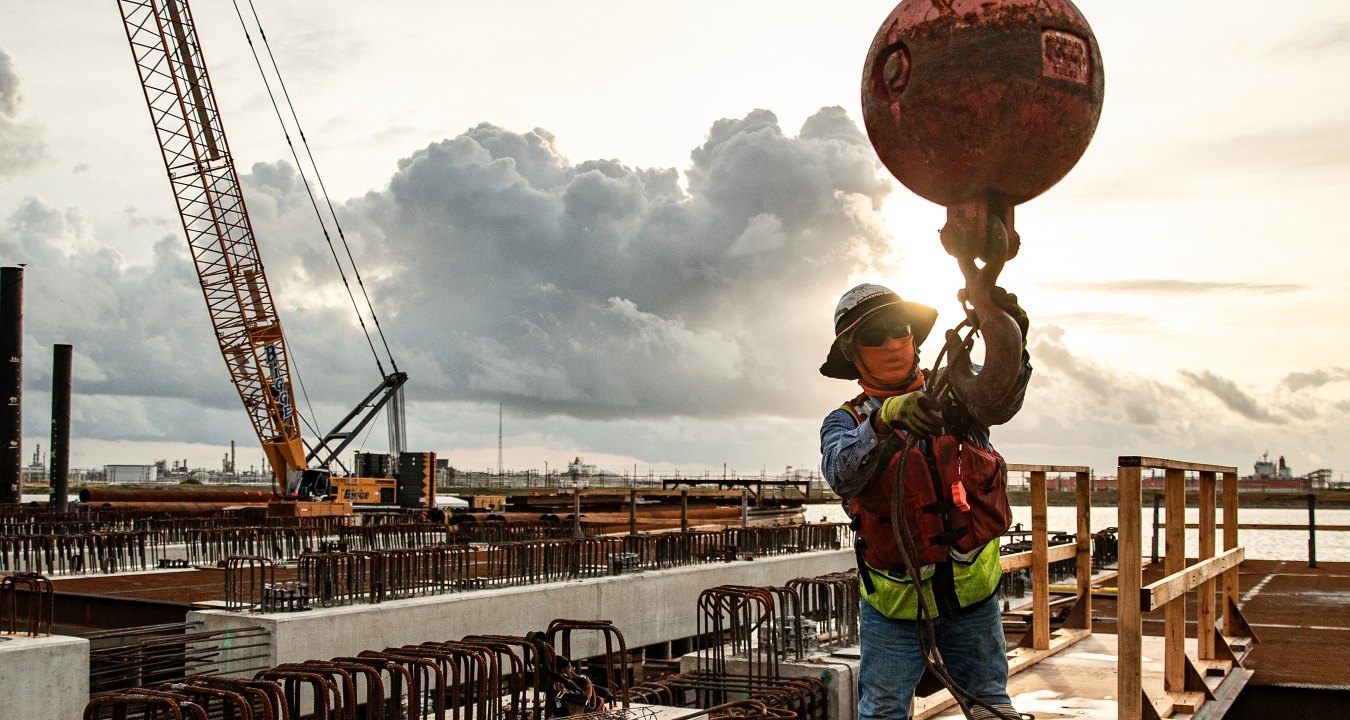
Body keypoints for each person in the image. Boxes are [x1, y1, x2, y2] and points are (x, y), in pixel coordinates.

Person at [819, 283, 1031, 720]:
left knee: (990, 704)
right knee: (881, 710)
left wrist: (1013, 345)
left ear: (914, 335)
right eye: (875, 335)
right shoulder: (844, 422)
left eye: (899, 328)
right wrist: (882, 420)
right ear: (854, 353)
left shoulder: (956, 391)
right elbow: (841, 473)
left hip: (971, 597)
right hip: (894, 608)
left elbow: (1000, 401)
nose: (892, 341)